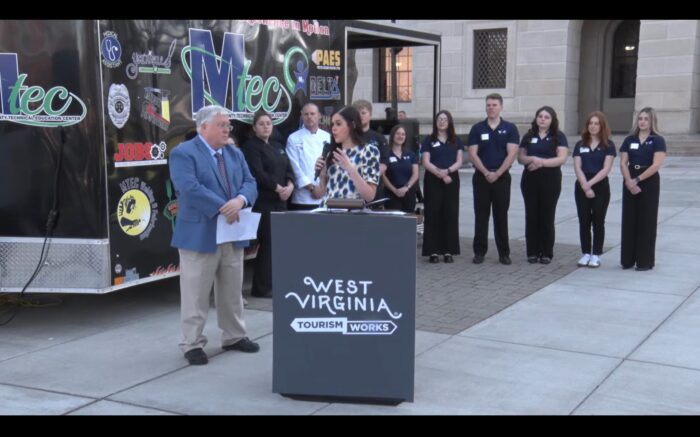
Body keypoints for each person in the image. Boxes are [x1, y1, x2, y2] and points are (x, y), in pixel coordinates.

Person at [169, 105, 259, 366]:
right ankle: (192, 343)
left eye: (228, 125)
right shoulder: (183, 153)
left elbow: (250, 182)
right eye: (222, 125)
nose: (227, 129)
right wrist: (224, 206)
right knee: (196, 293)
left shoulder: (233, 152)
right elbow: (189, 188)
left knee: (232, 290)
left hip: (232, 232)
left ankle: (234, 336)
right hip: (200, 233)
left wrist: (240, 201)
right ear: (204, 127)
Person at [240, 111, 295, 298]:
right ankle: (261, 288)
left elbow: (288, 168)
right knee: (268, 243)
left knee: (278, 244)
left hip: (282, 201)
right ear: (254, 127)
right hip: (264, 202)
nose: (265, 127)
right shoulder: (250, 147)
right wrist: (277, 188)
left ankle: (273, 283)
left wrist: (290, 184)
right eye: (261, 124)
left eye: (268, 124)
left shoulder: (278, 146)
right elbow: (257, 172)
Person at [467, 93, 519, 265]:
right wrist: (485, 172)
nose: (491, 107)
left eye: (494, 105)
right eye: (488, 105)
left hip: (502, 178)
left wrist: (497, 173)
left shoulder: (510, 128)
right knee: (481, 216)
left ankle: (504, 253)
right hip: (481, 178)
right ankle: (479, 252)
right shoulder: (477, 128)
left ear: (501, 107)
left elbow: (512, 153)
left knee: (500, 216)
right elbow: (472, 154)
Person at [517, 106, 569, 264]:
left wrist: (541, 163)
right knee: (531, 215)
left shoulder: (558, 136)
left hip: (550, 179)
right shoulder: (529, 135)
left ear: (552, 120)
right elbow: (520, 157)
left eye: (546, 117)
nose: (543, 119)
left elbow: (562, 158)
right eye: (540, 116)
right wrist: (532, 159)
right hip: (530, 179)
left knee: (547, 215)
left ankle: (546, 252)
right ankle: (532, 252)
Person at [619, 107, 666, 271]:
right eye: (640, 118)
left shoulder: (658, 140)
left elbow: (656, 164)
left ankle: (644, 261)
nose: (642, 122)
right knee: (629, 219)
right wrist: (629, 181)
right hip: (630, 178)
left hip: (648, 180)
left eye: (646, 119)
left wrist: (638, 180)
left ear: (652, 121)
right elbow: (623, 162)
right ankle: (627, 260)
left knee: (646, 220)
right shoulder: (629, 139)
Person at [572, 111, 616, 268]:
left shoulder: (608, 145)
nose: (593, 126)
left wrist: (590, 185)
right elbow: (577, 166)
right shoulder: (580, 144)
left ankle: (596, 254)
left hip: (600, 187)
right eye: (591, 123)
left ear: (602, 126)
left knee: (598, 221)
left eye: (596, 123)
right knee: (584, 221)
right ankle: (585, 253)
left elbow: (606, 168)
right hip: (582, 186)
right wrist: (584, 185)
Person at [420, 110, 464, 263]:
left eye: (445, 119)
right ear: (435, 122)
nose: (442, 121)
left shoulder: (456, 140)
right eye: (439, 119)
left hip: (451, 181)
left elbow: (459, 161)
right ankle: (432, 251)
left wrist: (448, 172)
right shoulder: (429, 140)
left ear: (449, 122)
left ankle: (448, 250)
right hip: (433, 181)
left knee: (450, 213)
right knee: (433, 213)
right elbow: (425, 161)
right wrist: (440, 174)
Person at [314, 106, 380, 204]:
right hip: (328, 212)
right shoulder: (332, 153)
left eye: (338, 124)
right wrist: (322, 175)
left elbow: (370, 195)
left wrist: (349, 168)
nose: (334, 128)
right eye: (332, 124)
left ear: (352, 124)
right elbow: (320, 193)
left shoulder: (368, 151)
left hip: (352, 213)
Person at [285, 102, 331, 210]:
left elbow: (331, 165)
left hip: (325, 197)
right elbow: (294, 167)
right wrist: (311, 188)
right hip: (302, 198)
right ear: (301, 116)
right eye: (306, 114)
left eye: (312, 113)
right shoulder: (293, 138)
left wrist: (322, 187)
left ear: (319, 115)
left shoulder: (328, 137)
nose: (309, 117)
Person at [352, 99, 389, 203]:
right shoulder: (348, 137)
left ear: (370, 115)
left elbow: (384, 165)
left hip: (374, 191)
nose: (361, 116)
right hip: (352, 191)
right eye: (357, 113)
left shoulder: (379, 138)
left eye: (364, 113)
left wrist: (367, 179)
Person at [382, 124, 419, 213]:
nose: (400, 136)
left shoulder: (410, 154)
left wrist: (406, 187)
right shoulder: (386, 154)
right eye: (398, 133)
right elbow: (383, 176)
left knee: (408, 223)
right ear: (393, 135)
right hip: (391, 194)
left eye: (403, 134)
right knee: (394, 224)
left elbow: (415, 174)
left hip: (408, 194)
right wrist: (395, 190)